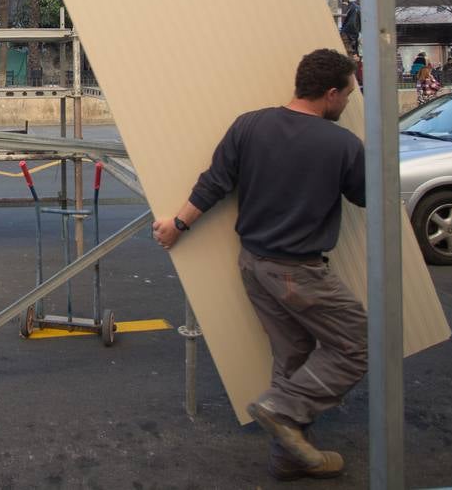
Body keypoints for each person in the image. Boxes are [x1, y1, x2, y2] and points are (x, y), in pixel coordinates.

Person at [152, 49, 365, 480]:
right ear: (329, 94)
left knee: (293, 354)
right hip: (298, 272)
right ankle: (283, 410)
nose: (348, 102)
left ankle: (289, 458)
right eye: (347, 93)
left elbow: (214, 182)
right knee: (357, 343)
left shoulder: (250, 125)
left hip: (253, 265)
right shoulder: (342, 144)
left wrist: (177, 225)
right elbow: (365, 196)